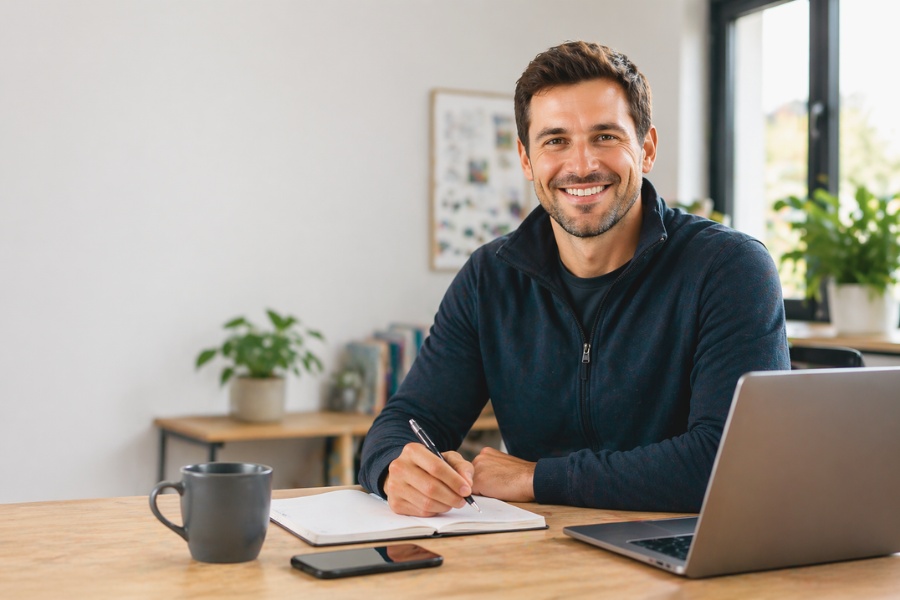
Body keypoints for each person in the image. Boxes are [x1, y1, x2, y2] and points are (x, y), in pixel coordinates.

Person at [358, 41, 790, 517]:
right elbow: (407, 421)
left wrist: (535, 477)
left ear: (646, 149)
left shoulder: (729, 268)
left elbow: (728, 461)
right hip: (545, 554)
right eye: (555, 140)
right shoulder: (490, 277)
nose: (581, 165)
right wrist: (394, 468)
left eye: (605, 136)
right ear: (526, 160)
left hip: (686, 553)